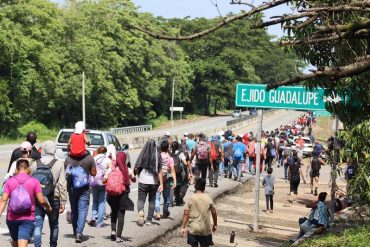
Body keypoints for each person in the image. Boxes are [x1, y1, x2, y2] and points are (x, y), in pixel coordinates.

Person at [0, 159, 52, 247]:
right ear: (28, 169)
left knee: (15, 242)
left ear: (16, 169)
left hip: (11, 218)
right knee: (22, 243)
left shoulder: (9, 181)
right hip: (27, 218)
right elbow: (41, 200)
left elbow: (3, 200)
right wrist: (48, 207)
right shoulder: (34, 181)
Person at [31, 141, 67, 247]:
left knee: (38, 224)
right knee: (54, 225)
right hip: (54, 197)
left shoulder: (35, 163)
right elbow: (62, 184)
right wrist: (63, 201)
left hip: (38, 197)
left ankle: (37, 245)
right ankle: (52, 245)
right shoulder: (58, 163)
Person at [64, 147, 97, 243]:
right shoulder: (89, 158)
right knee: (82, 210)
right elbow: (94, 173)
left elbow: (66, 174)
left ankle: (75, 232)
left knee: (74, 210)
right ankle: (79, 232)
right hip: (84, 188)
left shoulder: (68, 159)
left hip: (71, 188)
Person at [106, 151, 136, 242]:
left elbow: (104, 179)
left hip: (112, 195)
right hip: (123, 194)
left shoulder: (111, 169)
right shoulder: (127, 170)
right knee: (121, 214)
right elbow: (134, 180)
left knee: (114, 213)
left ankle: (113, 232)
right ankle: (119, 236)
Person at [181, 178, 217, 247]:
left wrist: (183, 227)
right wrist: (215, 224)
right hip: (205, 230)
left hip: (193, 229)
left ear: (195, 186)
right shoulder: (208, 198)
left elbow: (186, 213)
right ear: (204, 187)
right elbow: (214, 212)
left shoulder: (191, 198)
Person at [135, 140, 163, 226]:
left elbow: (137, 167)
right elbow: (159, 170)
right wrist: (161, 183)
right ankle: (149, 220)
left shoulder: (143, 154)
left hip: (143, 180)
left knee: (141, 199)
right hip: (153, 181)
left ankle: (140, 211)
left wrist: (138, 175)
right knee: (152, 200)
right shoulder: (157, 155)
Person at [88, 146, 111, 228]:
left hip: (94, 182)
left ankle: (94, 216)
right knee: (101, 202)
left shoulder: (93, 158)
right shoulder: (107, 160)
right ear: (105, 152)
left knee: (95, 200)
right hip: (103, 182)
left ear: (97, 151)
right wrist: (106, 176)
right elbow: (111, 169)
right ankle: (100, 222)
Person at [154, 140, 176, 219]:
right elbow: (172, 170)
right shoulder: (170, 158)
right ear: (168, 148)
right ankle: (165, 212)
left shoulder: (158, 156)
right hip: (166, 179)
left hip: (157, 179)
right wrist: (175, 181)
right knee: (166, 196)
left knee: (157, 196)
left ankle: (157, 213)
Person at [172, 141, 191, 206]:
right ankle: (178, 200)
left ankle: (173, 200)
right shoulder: (181, 153)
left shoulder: (170, 153)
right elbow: (185, 163)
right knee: (180, 185)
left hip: (172, 171)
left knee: (173, 185)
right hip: (179, 171)